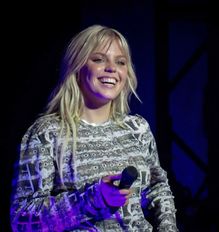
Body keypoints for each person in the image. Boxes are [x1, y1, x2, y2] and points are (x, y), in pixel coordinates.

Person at [10, 24, 179, 232]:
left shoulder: (138, 129)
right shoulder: (47, 134)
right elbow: (22, 220)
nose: (112, 68)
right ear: (77, 67)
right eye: (99, 59)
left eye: (120, 62)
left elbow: (157, 188)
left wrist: (168, 228)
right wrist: (92, 199)